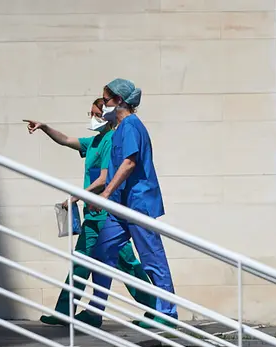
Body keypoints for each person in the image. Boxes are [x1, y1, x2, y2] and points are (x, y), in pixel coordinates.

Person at [22, 99, 157, 327]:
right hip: (93, 217)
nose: (93, 118)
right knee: (82, 262)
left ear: (107, 116)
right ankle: (69, 312)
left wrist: (75, 197)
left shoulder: (111, 141)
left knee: (128, 265)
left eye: (97, 114)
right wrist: (44, 128)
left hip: (107, 216)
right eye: (91, 113)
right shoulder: (94, 142)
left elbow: (104, 178)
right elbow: (66, 140)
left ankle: (156, 308)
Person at [86, 78, 178, 330]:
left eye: (105, 100)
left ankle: (167, 314)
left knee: (152, 258)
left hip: (138, 203)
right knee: (101, 253)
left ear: (118, 101)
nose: (102, 105)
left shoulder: (131, 127)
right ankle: (94, 311)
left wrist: (104, 196)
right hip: (119, 205)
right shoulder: (118, 129)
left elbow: (129, 164)